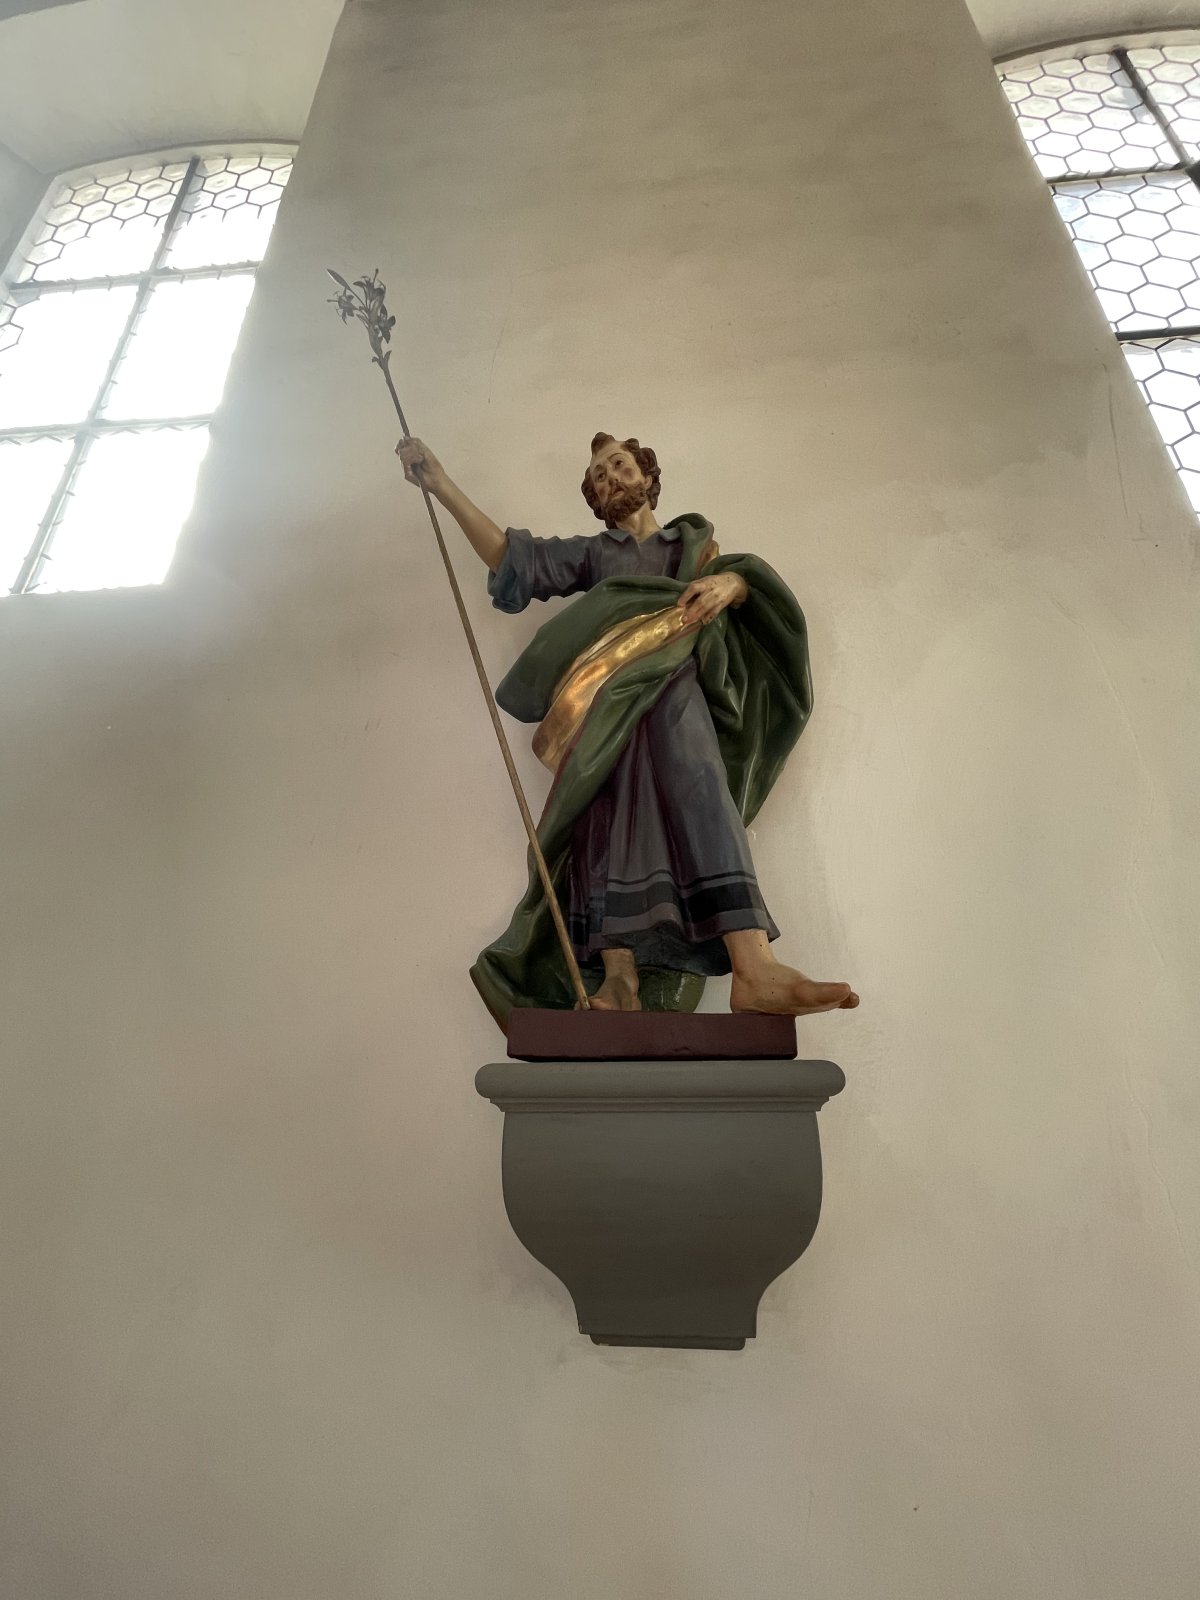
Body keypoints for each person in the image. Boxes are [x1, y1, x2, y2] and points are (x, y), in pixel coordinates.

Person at [396, 430, 859, 1025]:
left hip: (675, 684)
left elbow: (748, 591)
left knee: (704, 790)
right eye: (599, 476)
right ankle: (619, 980)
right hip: (605, 700)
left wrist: (734, 583)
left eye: (618, 465)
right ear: (595, 498)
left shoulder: (696, 549)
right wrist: (440, 485)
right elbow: (513, 557)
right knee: (605, 819)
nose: (611, 477)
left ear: (646, 474)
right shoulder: (597, 554)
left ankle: (754, 967)